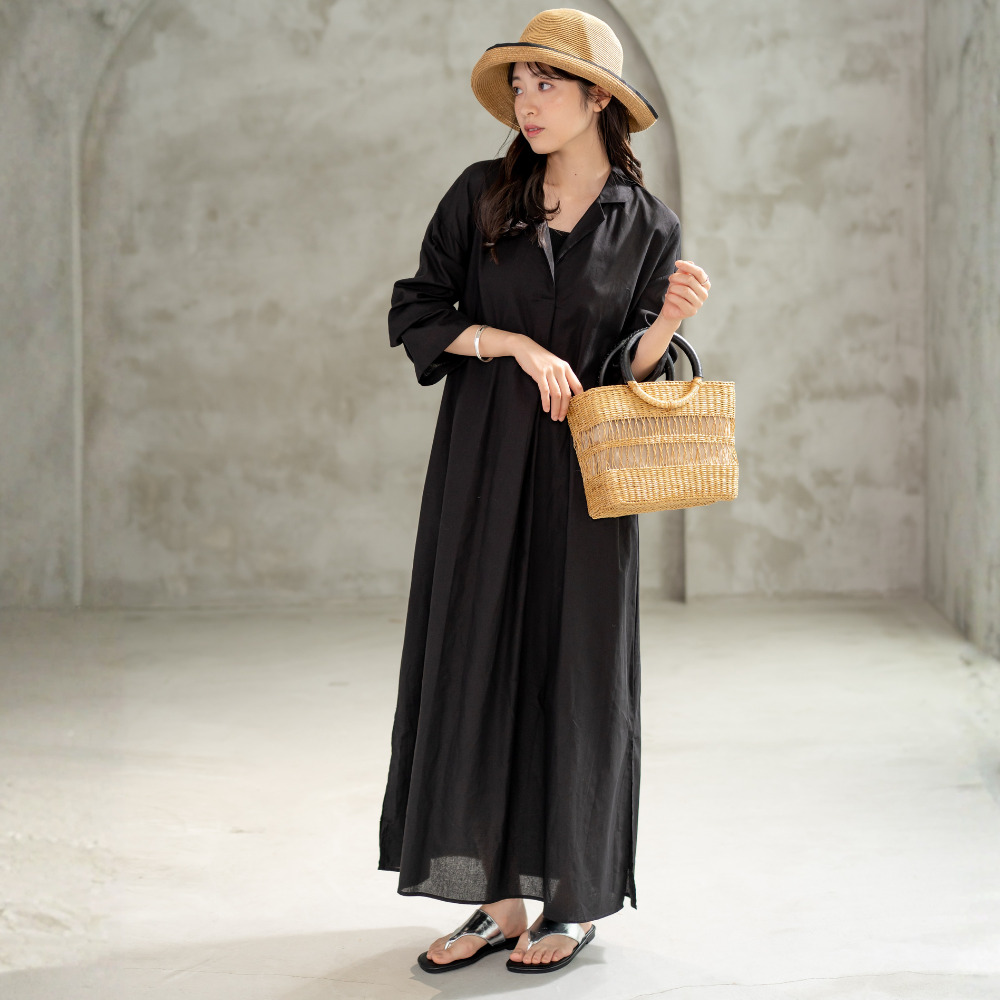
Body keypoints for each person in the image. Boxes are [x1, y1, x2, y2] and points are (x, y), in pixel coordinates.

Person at [378, 8, 710, 976]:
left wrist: (666, 326)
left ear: (598, 98)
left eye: (547, 84)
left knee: (577, 675)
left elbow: (629, 369)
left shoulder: (647, 224)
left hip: (583, 482)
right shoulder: (481, 196)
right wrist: (516, 343)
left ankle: (571, 900)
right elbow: (419, 309)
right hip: (481, 463)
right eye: (519, 86)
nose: (527, 102)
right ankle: (494, 900)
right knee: (472, 656)